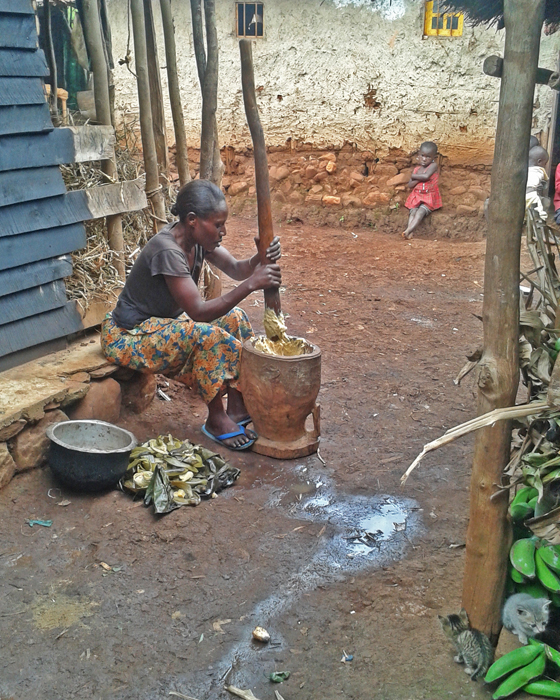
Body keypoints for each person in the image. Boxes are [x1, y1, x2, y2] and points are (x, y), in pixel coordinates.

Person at [101, 179, 282, 451]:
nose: (223, 231)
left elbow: (235, 267)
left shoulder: (197, 240)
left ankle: (237, 406)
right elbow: (198, 312)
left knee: (237, 319)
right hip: (129, 334)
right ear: (193, 220)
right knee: (206, 336)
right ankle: (216, 419)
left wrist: (258, 259)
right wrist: (253, 283)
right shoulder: (167, 250)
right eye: (218, 224)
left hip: (161, 326)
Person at [402, 141, 442, 240]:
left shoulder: (433, 166)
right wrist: (419, 177)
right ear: (418, 155)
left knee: (420, 212)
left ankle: (408, 231)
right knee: (413, 212)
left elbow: (426, 176)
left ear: (434, 158)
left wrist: (414, 177)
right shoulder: (417, 169)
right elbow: (410, 184)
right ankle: (409, 232)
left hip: (428, 196)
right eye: (422, 155)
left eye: (428, 157)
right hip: (416, 195)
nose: (424, 159)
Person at [526, 145, 549, 221]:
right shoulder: (540, 170)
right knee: (539, 210)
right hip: (531, 194)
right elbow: (546, 179)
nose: (544, 166)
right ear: (539, 161)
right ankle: (541, 220)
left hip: (521, 194)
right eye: (545, 163)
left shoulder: (524, 169)